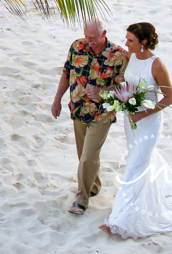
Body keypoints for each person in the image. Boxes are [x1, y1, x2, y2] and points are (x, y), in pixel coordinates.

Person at [100, 23, 172, 237]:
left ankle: (120, 220)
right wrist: (119, 86)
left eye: (130, 40)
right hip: (130, 121)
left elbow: (169, 98)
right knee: (138, 159)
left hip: (148, 121)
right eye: (126, 39)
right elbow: (127, 82)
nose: (126, 43)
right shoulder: (130, 57)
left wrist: (142, 114)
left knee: (135, 166)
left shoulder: (157, 64)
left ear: (143, 42)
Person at [51, 18, 126, 216]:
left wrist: (103, 90)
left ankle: (81, 199)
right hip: (78, 109)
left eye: (92, 37)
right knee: (84, 155)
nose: (88, 40)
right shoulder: (77, 46)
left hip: (103, 113)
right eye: (86, 35)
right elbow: (67, 73)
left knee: (88, 157)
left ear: (104, 34)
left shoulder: (119, 55)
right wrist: (57, 99)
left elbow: (127, 87)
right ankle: (94, 186)